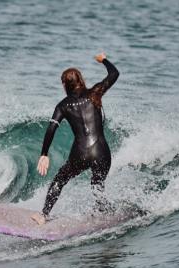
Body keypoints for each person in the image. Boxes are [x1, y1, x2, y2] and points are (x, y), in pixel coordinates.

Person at [31, 52, 119, 225]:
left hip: (81, 153)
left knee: (59, 180)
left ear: (65, 85)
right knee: (97, 185)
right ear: (81, 80)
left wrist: (44, 154)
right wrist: (103, 60)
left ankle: (43, 215)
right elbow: (114, 74)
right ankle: (107, 213)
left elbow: (51, 128)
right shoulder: (96, 92)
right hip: (102, 152)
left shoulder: (63, 105)